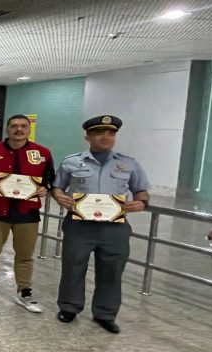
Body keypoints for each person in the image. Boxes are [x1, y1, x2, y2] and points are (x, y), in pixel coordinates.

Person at [52, 115, 149, 334]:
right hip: (79, 226)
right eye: (99, 133)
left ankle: (105, 313)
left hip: (114, 227)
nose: (106, 137)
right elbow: (57, 186)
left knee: (112, 271)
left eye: (111, 133)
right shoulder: (72, 162)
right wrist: (59, 196)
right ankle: (69, 307)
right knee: (73, 267)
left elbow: (141, 189)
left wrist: (142, 202)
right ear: (88, 136)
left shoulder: (128, 163)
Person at [0, 114, 55, 312]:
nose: (19, 130)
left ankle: (24, 291)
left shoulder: (42, 153)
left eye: (23, 126)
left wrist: (45, 188)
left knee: (25, 255)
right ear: (7, 129)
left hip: (27, 213)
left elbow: (50, 178)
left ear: (29, 129)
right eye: (14, 126)